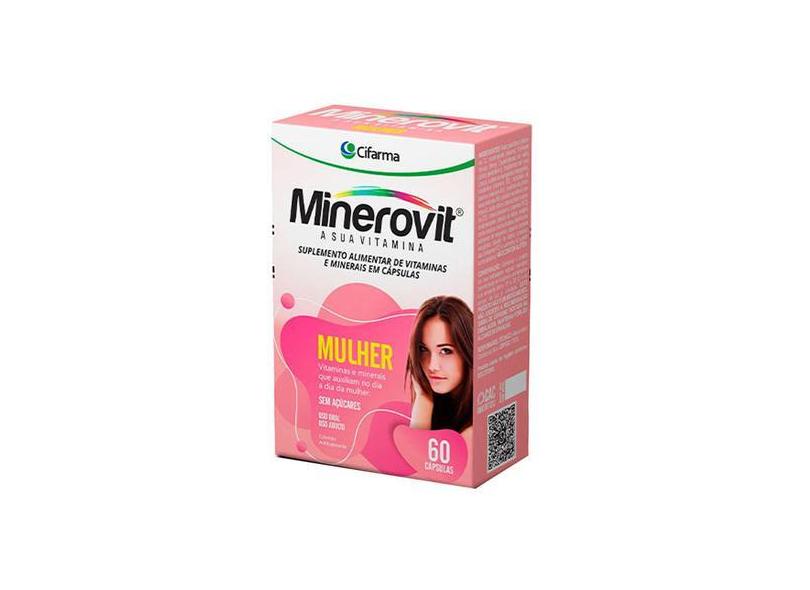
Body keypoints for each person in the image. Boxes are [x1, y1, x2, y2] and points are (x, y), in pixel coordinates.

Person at [407, 296, 473, 441]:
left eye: (446, 351)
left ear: (468, 350)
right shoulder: (439, 403)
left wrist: (423, 400)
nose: (432, 366)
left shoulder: (476, 426)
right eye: (423, 349)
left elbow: (416, 454)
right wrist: (423, 397)